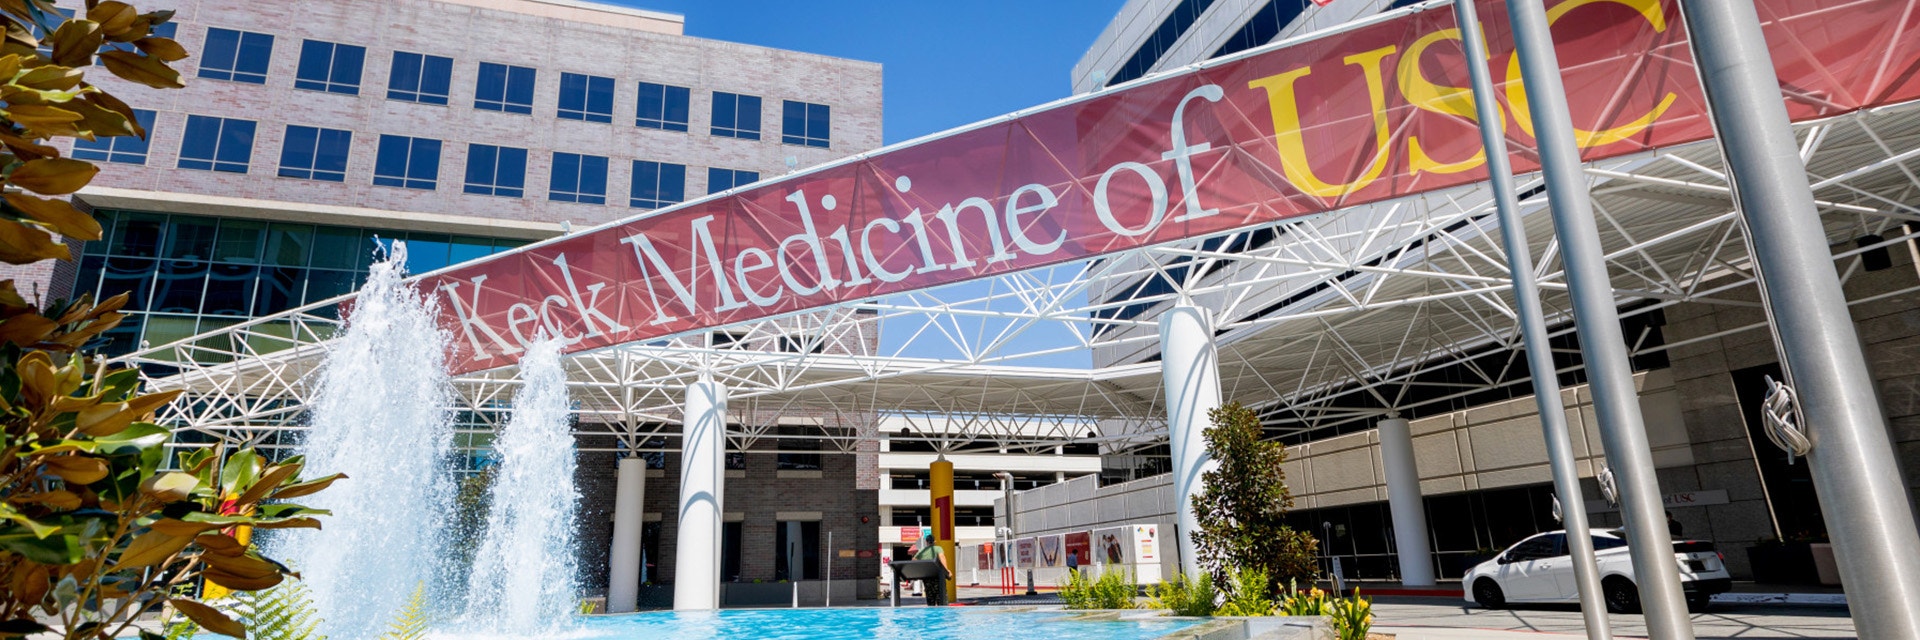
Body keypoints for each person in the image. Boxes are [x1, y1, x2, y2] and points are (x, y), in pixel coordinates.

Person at [909, 534, 952, 606]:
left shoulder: (922, 551)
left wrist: (918, 572)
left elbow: (914, 560)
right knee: (941, 600)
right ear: (935, 541)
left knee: (930, 601)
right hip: (937, 577)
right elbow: (942, 557)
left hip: (927, 578)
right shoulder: (938, 548)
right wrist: (946, 570)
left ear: (926, 542)